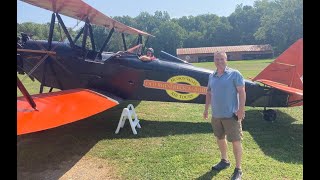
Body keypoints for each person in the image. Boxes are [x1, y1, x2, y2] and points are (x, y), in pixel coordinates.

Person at [203, 51, 246, 180]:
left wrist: (241, 110)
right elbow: (209, 93)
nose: (219, 61)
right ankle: (224, 161)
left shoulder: (235, 74)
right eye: (217, 59)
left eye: (222, 59)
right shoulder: (212, 76)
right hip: (216, 115)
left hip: (231, 115)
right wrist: (206, 110)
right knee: (220, 138)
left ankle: (238, 169)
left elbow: (242, 93)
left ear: (226, 60)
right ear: (214, 60)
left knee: (235, 141)